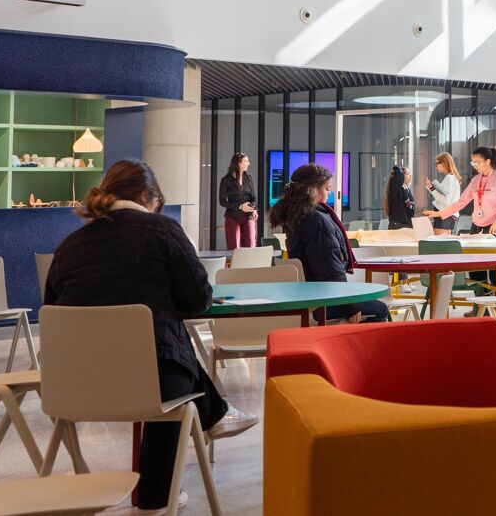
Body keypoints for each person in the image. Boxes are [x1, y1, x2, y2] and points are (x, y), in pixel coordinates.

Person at [44, 159, 255, 515]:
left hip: (72, 386)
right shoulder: (164, 230)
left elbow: (53, 310)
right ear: (147, 196)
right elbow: (199, 301)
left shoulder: (69, 246)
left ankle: (216, 416)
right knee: (167, 355)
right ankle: (158, 495)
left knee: (163, 350)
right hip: (154, 383)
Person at [270, 163, 390, 323]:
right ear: (313, 190)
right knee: (381, 310)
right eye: (327, 188)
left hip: (307, 296)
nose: (330, 192)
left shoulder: (296, 216)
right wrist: (349, 305)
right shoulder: (317, 221)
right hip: (324, 299)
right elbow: (329, 268)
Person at [424, 145, 496, 234]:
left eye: (477, 163)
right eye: (473, 163)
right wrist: (439, 214)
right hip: (477, 226)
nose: (474, 166)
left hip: (495, 226)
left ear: (487, 162)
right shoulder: (476, 180)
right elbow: (461, 202)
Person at [218, 152, 257, 249]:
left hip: (248, 216)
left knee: (251, 246)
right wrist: (240, 206)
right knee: (234, 248)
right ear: (239, 163)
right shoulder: (226, 180)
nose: (249, 163)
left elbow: (253, 197)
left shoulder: (249, 178)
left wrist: (255, 209)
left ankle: (251, 265)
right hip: (232, 217)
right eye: (246, 161)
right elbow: (222, 201)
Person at [425, 152, 463, 232]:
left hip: (444, 215)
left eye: (437, 163)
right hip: (447, 215)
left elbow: (445, 200)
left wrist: (431, 188)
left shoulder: (450, 178)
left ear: (444, 163)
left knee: (439, 243)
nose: (436, 166)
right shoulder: (453, 178)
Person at [385, 164, 414, 229]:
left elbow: (410, 209)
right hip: (397, 225)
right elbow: (397, 177)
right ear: (402, 176)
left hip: (406, 225)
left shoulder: (407, 189)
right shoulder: (396, 189)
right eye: (408, 173)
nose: (410, 176)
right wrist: (398, 169)